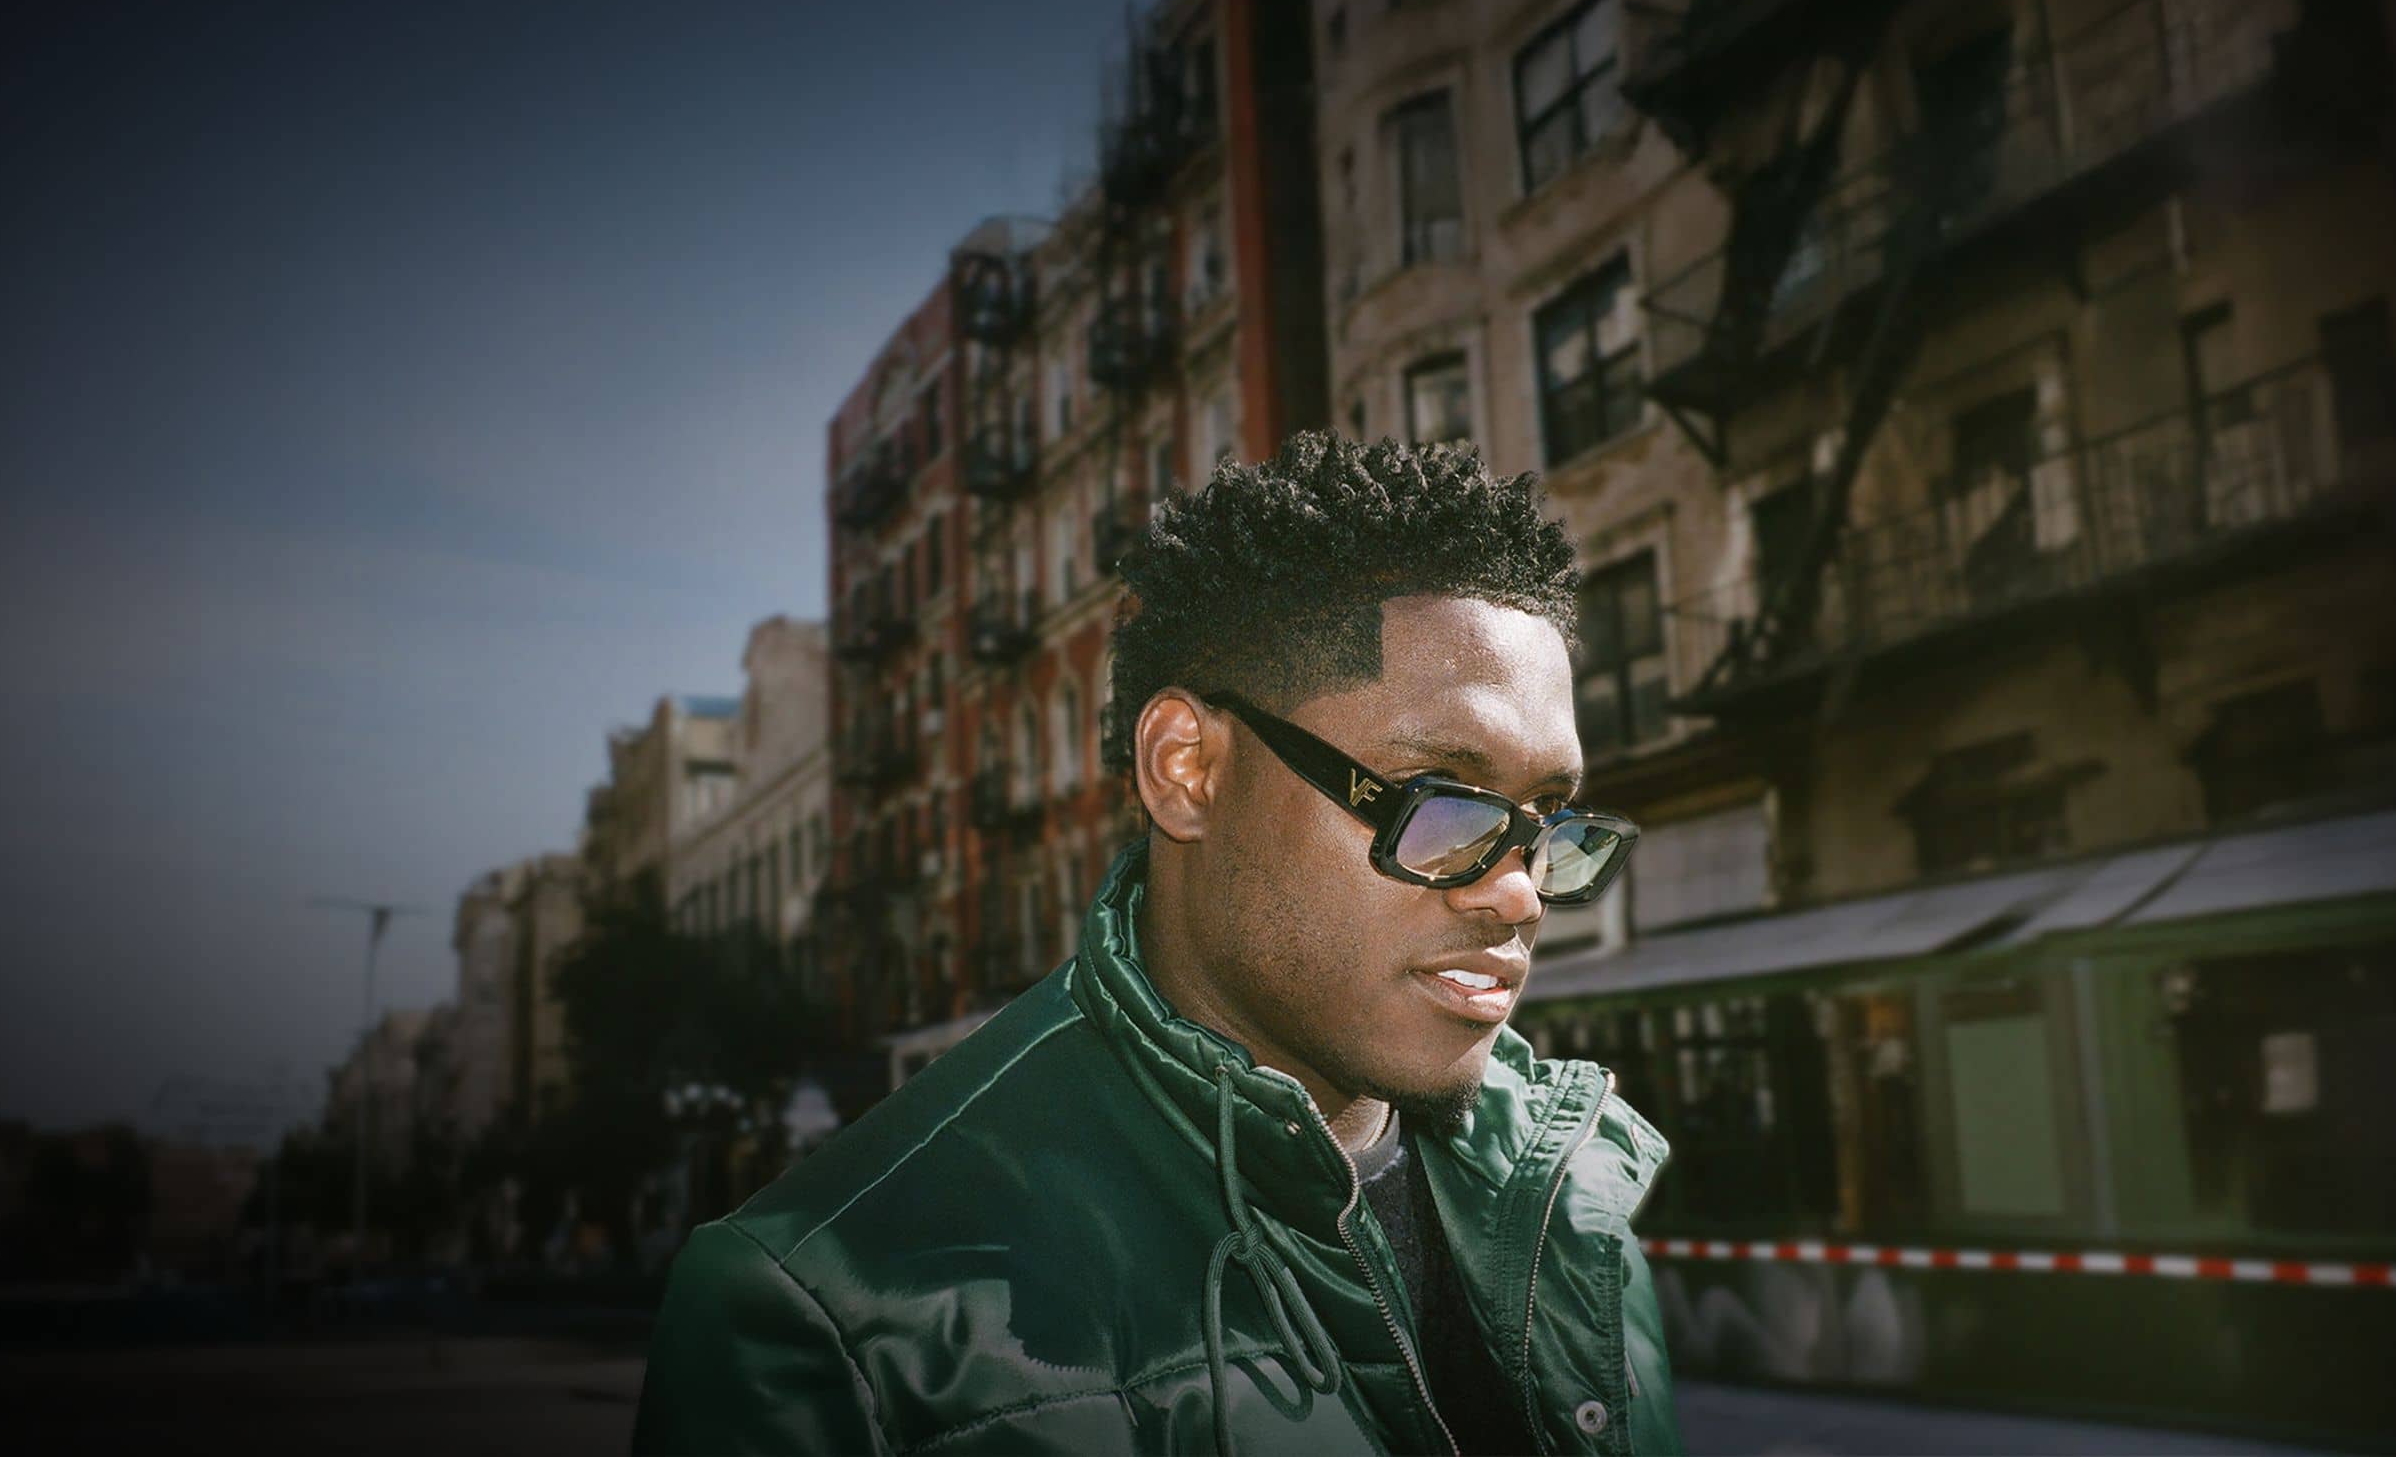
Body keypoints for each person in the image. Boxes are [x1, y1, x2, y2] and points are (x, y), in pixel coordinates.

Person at [634, 433, 1679, 1455]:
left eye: (1548, 818)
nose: (1518, 893)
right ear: (1189, 769)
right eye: (1442, 802)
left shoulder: (1574, 1209)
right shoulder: (833, 1321)